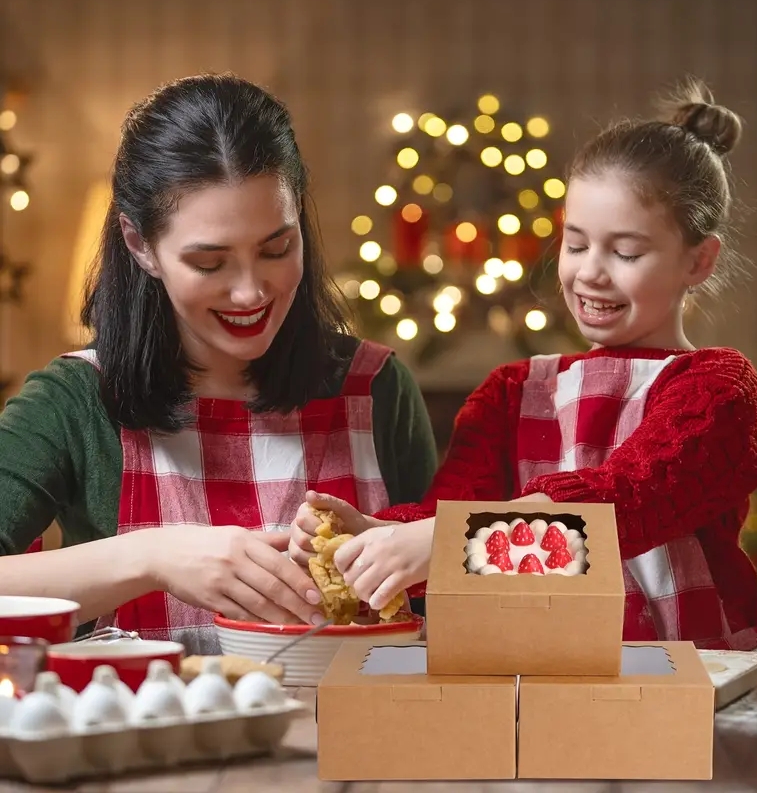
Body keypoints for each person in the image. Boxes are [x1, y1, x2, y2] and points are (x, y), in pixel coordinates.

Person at [291, 79, 757, 661]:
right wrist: (378, 534)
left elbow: (618, 508)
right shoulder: (511, 393)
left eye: (626, 253)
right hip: (545, 675)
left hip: (689, 685)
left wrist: (441, 542)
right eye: (575, 245)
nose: (590, 274)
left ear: (699, 261)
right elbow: (446, 518)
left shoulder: (718, 389)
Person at [0, 74, 438, 654]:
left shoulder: (378, 388)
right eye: (210, 263)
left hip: (358, 741)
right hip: (146, 743)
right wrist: (153, 556)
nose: (250, 292)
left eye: (277, 249)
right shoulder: (75, 400)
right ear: (139, 244)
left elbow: (451, 602)